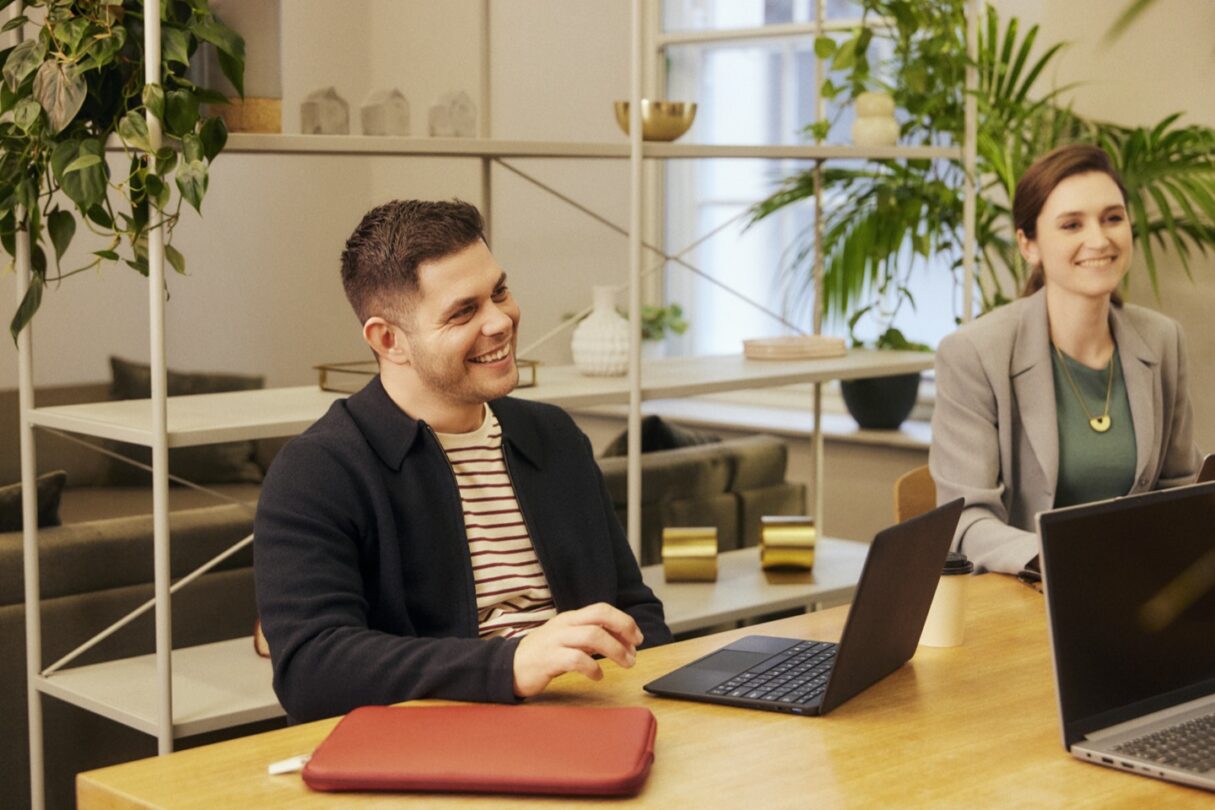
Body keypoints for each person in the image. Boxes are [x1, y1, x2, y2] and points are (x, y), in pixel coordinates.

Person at [254, 199, 672, 722]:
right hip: (434, 746)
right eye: (463, 311)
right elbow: (312, 671)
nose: (501, 321)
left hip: (592, 718)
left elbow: (634, 610)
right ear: (389, 340)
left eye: (498, 292)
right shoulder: (317, 471)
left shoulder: (554, 436)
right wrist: (511, 664)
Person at [930, 144, 1201, 576]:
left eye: (1113, 218)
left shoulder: (1163, 339)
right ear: (1028, 244)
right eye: (1072, 224)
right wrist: (1070, 562)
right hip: (1022, 599)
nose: (1099, 239)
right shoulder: (975, 353)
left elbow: (1179, 487)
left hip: (1140, 594)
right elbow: (966, 521)